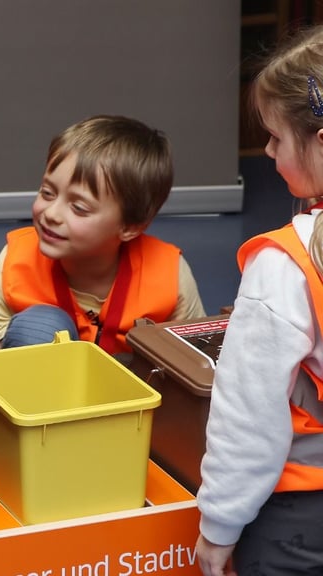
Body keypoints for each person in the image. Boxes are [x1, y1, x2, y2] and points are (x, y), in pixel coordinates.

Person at [196, 25, 323, 576]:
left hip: (302, 516)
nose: (267, 151)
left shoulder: (285, 264)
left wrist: (219, 527)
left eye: (275, 136)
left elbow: (248, 416)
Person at [0, 115, 205, 355]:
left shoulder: (170, 273)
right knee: (39, 328)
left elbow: (194, 362)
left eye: (79, 208)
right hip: (45, 385)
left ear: (130, 227)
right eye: (47, 193)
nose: (51, 214)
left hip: (135, 385)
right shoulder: (16, 258)